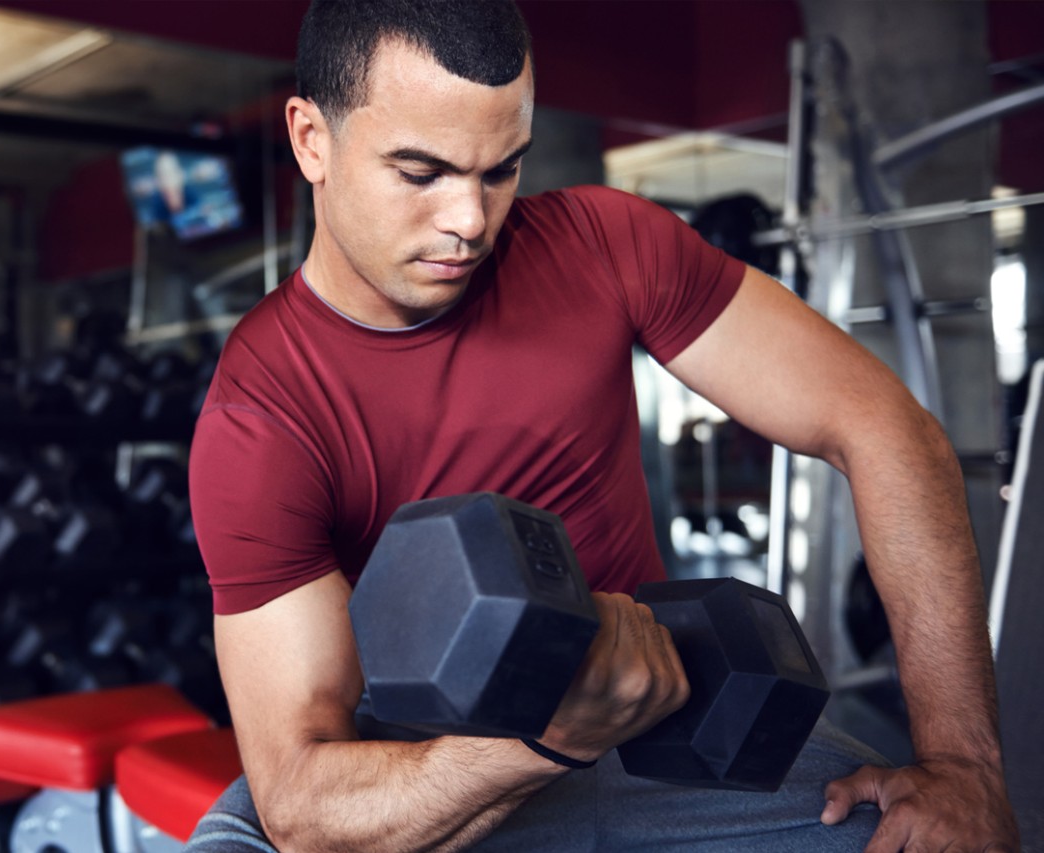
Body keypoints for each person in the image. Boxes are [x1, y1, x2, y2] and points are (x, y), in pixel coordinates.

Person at [186, 1, 1020, 850]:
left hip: (660, 726)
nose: (470, 221)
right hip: (426, 754)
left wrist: (963, 764)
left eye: (501, 169)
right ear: (310, 139)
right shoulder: (261, 413)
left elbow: (884, 424)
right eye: (421, 171)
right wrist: (542, 740)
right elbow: (300, 798)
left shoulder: (605, 245)